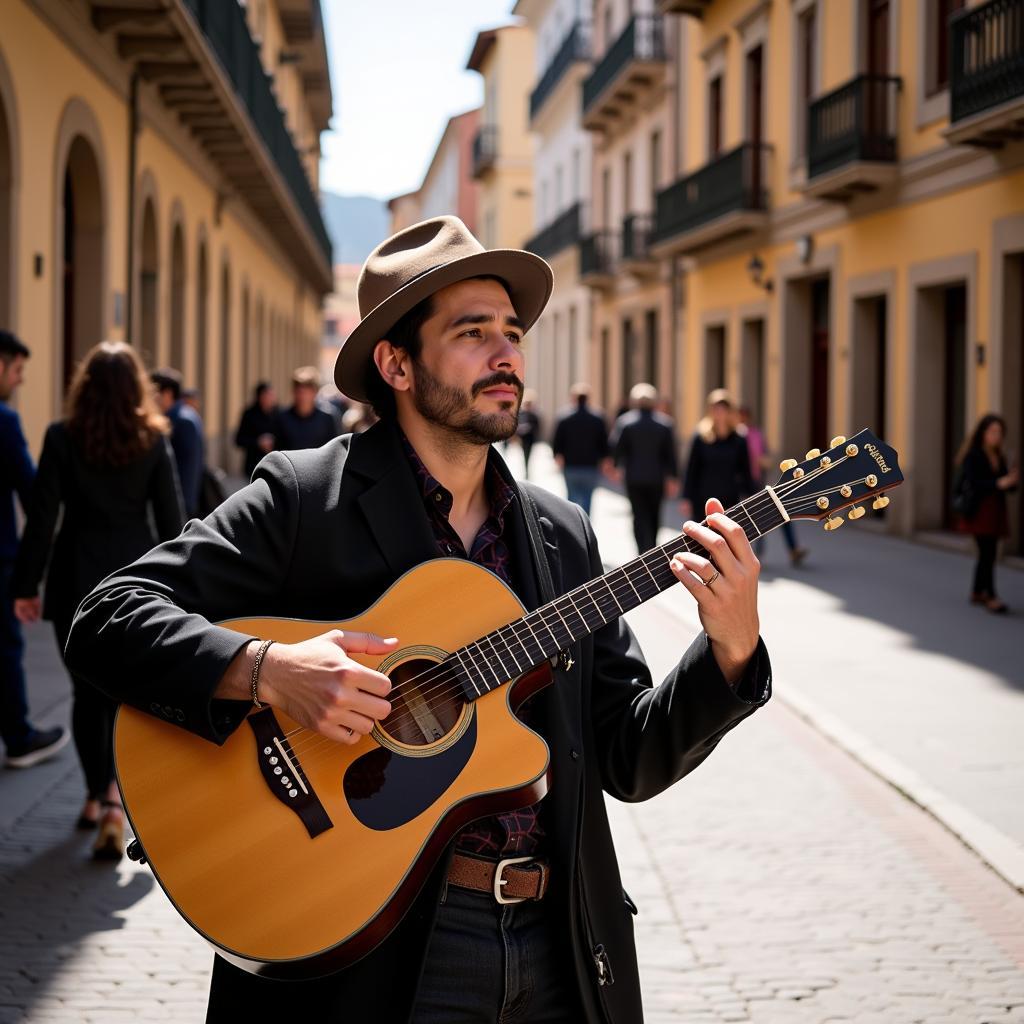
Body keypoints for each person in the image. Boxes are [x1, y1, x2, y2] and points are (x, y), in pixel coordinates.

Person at [65, 216, 771, 1022]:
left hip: (556, 947)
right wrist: (270, 670)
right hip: (371, 950)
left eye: (511, 331)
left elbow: (627, 756)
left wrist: (730, 650)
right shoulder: (304, 499)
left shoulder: (560, 536)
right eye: (472, 333)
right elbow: (107, 615)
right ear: (396, 363)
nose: (507, 352)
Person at [12, 342, 185, 858]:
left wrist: (25, 585)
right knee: (125, 698)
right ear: (137, 388)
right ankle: (115, 801)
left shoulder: (62, 438)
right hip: (136, 584)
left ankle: (93, 797)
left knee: (85, 696)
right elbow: (174, 523)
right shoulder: (153, 440)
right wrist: (187, 593)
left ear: (84, 387)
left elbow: (44, 518)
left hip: (74, 582)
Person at [0, 331, 68, 769]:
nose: (20, 380)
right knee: (6, 650)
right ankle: (21, 738)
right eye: (17, 370)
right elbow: (33, 491)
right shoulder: (4, 421)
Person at [955, 413, 1019, 614]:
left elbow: (1007, 489)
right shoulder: (974, 455)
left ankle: (977, 591)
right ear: (983, 433)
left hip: (995, 511)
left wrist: (1010, 481)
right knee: (987, 553)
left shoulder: (1000, 456)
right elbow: (974, 484)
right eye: (993, 431)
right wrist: (998, 483)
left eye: (1000, 432)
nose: (997, 436)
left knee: (987, 553)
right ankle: (990, 595)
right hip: (978, 510)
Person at [610, 383, 679, 554]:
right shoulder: (665, 424)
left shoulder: (625, 422)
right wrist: (673, 478)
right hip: (656, 478)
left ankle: (642, 549)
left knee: (638, 514)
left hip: (634, 477)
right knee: (655, 513)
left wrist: (616, 467)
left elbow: (616, 448)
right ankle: (652, 547)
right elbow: (671, 455)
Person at [739, 405, 808, 567]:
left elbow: (766, 457)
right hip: (744, 485)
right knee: (755, 520)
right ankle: (755, 556)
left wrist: (764, 462)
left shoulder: (757, 434)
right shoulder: (735, 436)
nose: (743, 419)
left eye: (745, 416)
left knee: (782, 513)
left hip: (760, 482)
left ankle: (793, 549)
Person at [683, 389, 755, 531]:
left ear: (730, 412)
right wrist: (686, 498)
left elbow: (745, 470)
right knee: (703, 539)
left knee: (726, 538)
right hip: (703, 498)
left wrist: (750, 496)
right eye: (716, 409)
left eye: (723, 409)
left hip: (729, 498)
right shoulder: (701, 437)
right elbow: (691, 469)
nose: (719, 413)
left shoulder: (739, 438)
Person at [152, 368, 205, 518]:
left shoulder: (181, 420)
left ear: (167, 394)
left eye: (154, 392)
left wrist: (183, 505)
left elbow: (187, 469)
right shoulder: (184, 415)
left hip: (180, 503)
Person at [552, 382, 609, 514]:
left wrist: (557, 457)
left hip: (571, 465)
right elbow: (604, 443)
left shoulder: (564, 417)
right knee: (588, 498)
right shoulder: (598, 418)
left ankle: (573, 526)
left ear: (573, 398)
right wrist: (606, 460)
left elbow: (557, 441)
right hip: (590, 465)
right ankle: (585, 526)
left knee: (571, 498)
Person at [273, 366, 340, 451]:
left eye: (306, 392)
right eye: (299, 392)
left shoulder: (327, 418)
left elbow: (335, 450)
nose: (302, 397)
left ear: (315, 392)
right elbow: (277, 451)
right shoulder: (282, 418)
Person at [234, 381, 278, 478]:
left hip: (276, 465)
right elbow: (239, 440)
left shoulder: (280, 414)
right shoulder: (249, 414)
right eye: (266, 395)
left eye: (271, 395)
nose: (269, 398)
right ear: (259, 397)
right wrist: (258, 442)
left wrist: (274, 442)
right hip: (253, 465)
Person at [514, 388, 542, 478]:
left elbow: (537, 427)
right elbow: (516, 425)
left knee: (528, 455)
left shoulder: (535, 415)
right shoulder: (520, 414)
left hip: (530, 438)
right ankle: (526, 469)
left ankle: (527, 469)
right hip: (522, 438)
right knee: (524, 454)